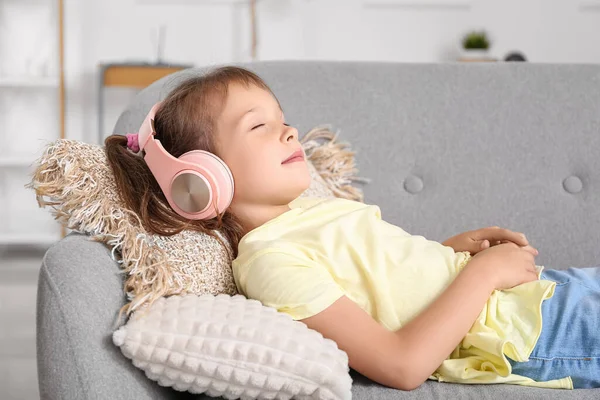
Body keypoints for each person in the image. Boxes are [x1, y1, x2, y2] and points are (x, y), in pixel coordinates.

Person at [105, 66, 600, 390]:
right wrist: (482, 276)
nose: (290, 130)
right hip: (535, 331)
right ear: (203, 182)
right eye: (259, 126)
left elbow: (380, 280)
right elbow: (402, 364)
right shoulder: (270, 261)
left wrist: (451, 254)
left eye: (284, 120)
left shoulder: (305, 214)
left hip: (546, 294)